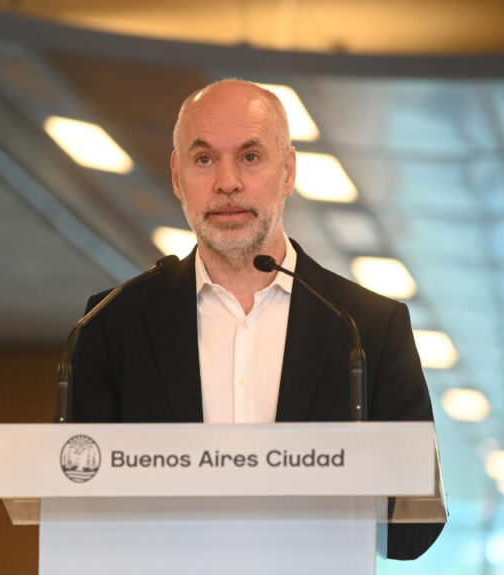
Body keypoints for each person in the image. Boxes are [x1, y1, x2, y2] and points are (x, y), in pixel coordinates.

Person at [71, 79, 443, 559]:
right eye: (204, 159)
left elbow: (414, 528)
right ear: (177, 176)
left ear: (287, 171)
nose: (227, 182)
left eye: (250, 157)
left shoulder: (368, 328)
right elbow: (78, 512)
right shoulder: (109, 325)